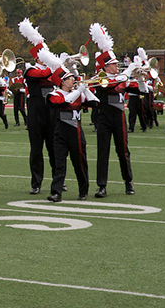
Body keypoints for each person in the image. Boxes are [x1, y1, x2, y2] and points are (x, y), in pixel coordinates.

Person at [90, 23, 134, 197]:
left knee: (123, 150)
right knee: (103, 151)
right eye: (114, 65)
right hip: (104, 118)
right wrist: (117, 80)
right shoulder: (100, 78)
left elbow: (122, 86)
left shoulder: (121, 77)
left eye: (117, 64)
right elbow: (105, 88)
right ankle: (102, 186)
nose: (117, 67)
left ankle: (128, 182)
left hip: (119, 118)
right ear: (106, 67)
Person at [46, 66, 98, 201]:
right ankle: (56, 192)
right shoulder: (54, 94)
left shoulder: (78, 94)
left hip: (76, 131)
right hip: (60, 132)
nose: (73, 80)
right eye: (70, 78)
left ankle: (83, 190)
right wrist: (79, 91)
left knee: (80, 162)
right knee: (59, 164)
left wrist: (84, 89)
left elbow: (95, 102)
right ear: (62, 82)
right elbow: (63, 102)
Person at [19, 19, 56, 195]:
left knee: (54, 147)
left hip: (51, 111)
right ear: (37, 57)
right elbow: (42, 74)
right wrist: (56, 65)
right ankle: (36, 182)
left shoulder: (52, 69)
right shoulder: (30, 69)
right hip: (35, 112)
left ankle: (58, 179)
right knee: (36, 149)